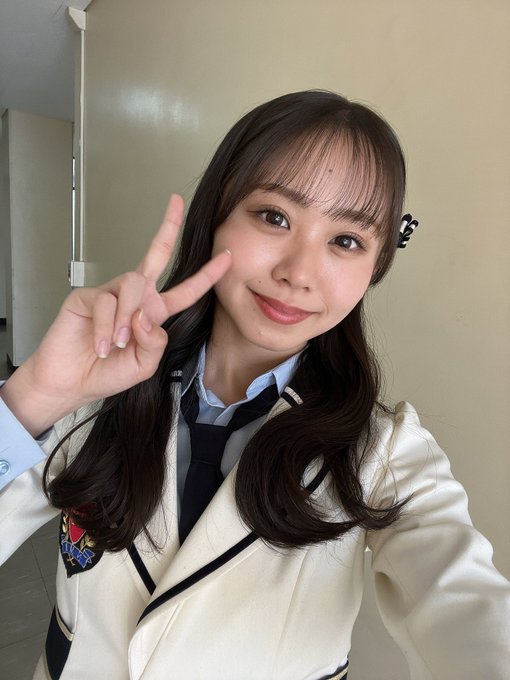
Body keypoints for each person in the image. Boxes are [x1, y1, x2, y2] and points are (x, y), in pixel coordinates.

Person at [0, 90, 509, 680]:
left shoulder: (387, 455)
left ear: (375, 267)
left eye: (346, 240)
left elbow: (468, 607)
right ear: (216, 215)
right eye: (274, 216)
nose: (298, 272)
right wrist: (34, 397)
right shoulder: (94, 396)